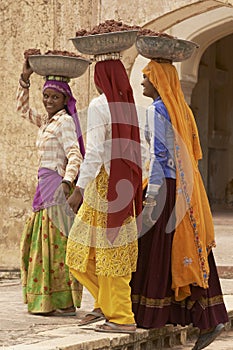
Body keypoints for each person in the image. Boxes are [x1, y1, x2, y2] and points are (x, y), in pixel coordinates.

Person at [130, 60, 229, 349]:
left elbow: (161, 156)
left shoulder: (156, 110)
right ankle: (209, 316)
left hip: (167, 188)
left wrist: (153, 197)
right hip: (184, 186)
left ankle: (157, 315)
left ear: (159, 82)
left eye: (147, 78)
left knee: (155, 249)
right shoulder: (180, 109)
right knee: (190, 249)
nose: (143, 83)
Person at [66, 59, 142, 333]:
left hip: (104, 186)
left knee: (88, 252)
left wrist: (78, 188)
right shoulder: (128, 106)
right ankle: (105, 306)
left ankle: (121, 317)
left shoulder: (100, 105)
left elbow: (96, 152)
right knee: (106, 252)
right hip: (124, 186)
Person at [17, 58, 85, 315]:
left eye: (54, 97)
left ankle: (60, 301)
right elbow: (23, 111)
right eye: (45, 96)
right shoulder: (48, 122)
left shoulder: (65, 121)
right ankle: (47, 299)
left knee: (55, 243)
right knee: (42, 242)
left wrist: (67, 183)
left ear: (64, 100)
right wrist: (25, 80)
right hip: (43, 184)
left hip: (56, 186)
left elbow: (74, 154)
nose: (48, 101)